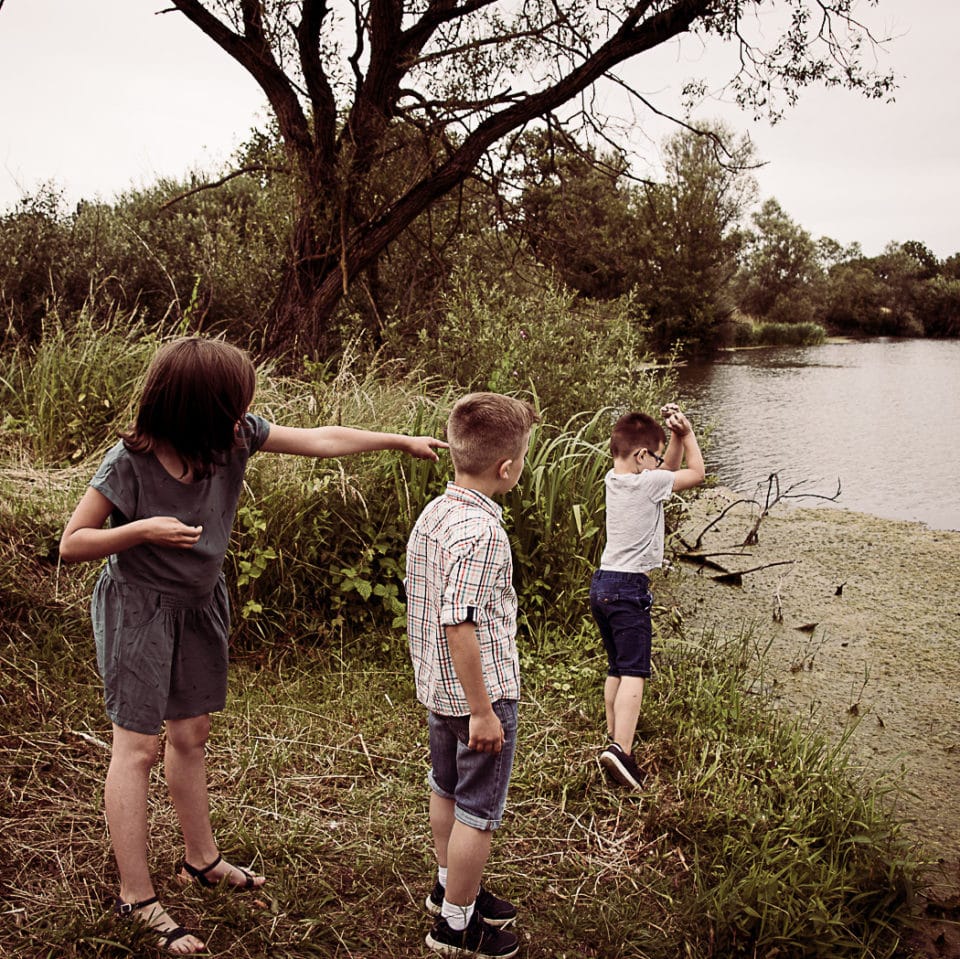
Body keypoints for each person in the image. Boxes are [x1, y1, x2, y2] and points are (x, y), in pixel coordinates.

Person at [58, 336, 447, 955]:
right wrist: (139, 530)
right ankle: (137, 895)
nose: (248, 411)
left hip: (198, 606)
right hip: (139, 611)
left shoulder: (233, 438)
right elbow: (71, 543)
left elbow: (319, 438)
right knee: (137, 748)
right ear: (198, 408)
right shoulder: (129, 462)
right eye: (236, 400)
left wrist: (397, 440)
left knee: (190, 736)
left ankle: (201, 859)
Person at [405, 392, 540, 959]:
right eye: (523, 458)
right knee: (478, 813)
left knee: (446, 786)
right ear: (505, 468)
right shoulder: (484, 534)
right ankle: (456, 928)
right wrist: (483, 709)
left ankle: (449, 890)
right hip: (477, 696)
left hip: (438, 688)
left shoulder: (436, 511)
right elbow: (458, 621)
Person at [591, 403, 705, 790]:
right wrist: (686, 436)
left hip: (603, 584)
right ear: (642, 456)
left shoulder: (615, 479)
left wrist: (669, 440)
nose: (658, 462)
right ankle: (621, 751)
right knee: (635, 672)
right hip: (628, 589)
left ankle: (612, 738)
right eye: (653, 455)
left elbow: (663, 471)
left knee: (616, 668)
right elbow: (695, 473)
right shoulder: (649, 483)